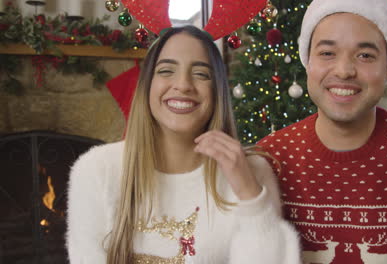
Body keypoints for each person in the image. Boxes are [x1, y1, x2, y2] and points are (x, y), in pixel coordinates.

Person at [66, 26, 301, 264]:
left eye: (201, 74)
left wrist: (250, 196)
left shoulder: (252, 170)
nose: (183, 84)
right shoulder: (96, 170)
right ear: (147, 86)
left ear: (217, 90)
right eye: (166, 70)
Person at [257, 0, 387, 263]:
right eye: (327, 53)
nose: (344, 71)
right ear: (307, 61)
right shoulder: (268, 158)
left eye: (365, 55)